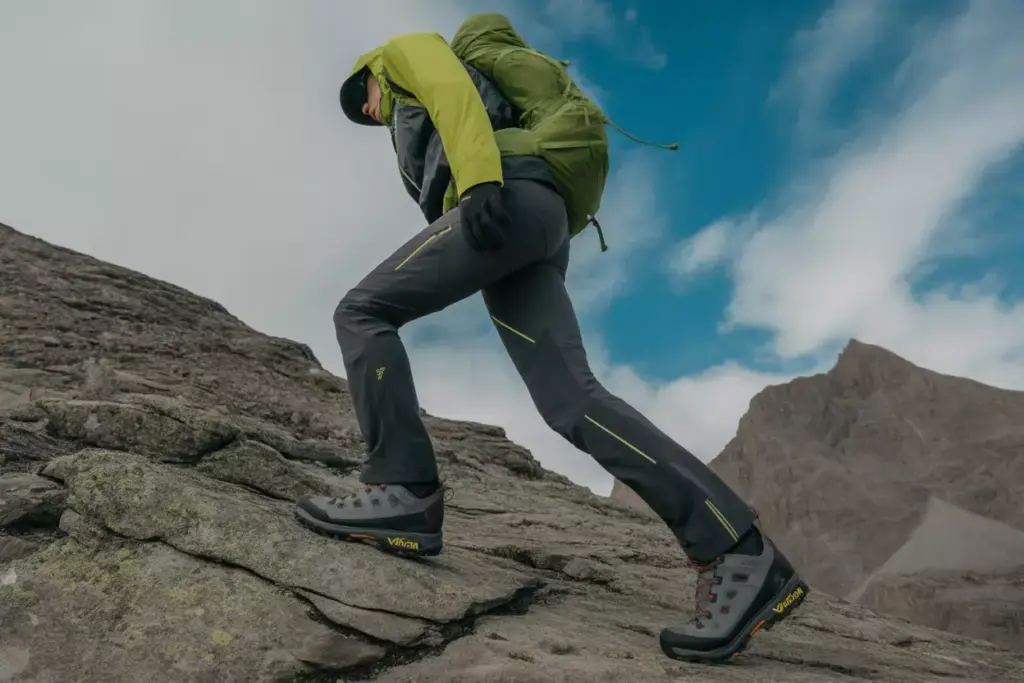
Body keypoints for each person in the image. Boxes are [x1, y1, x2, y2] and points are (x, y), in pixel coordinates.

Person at [294, 13, 809, 664]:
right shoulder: (432, 119)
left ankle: (403, 492)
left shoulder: (403, 53)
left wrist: (479, 179)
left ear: (369, 74)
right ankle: (740, 553)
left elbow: (450, 91)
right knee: (573, 401)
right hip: (538, 220)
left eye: (363, 101)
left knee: (361, 311)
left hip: (503, 196)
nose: (369, 112)